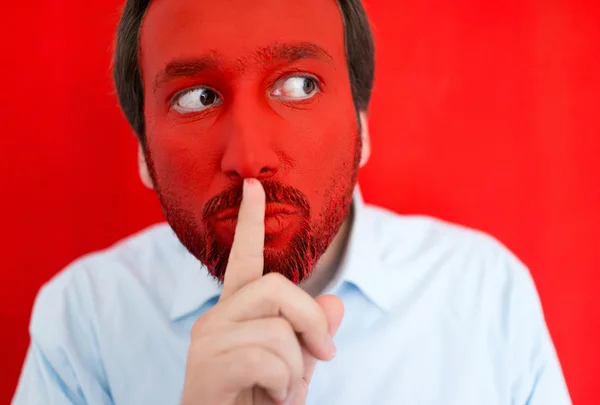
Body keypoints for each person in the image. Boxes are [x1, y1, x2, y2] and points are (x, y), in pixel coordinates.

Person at [12, 0, 572, 404]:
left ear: (361, 127)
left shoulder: (484, 294)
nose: (249, 157)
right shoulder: (84, 321)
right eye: (197, 97)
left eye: (299, 85)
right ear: (142, 154)